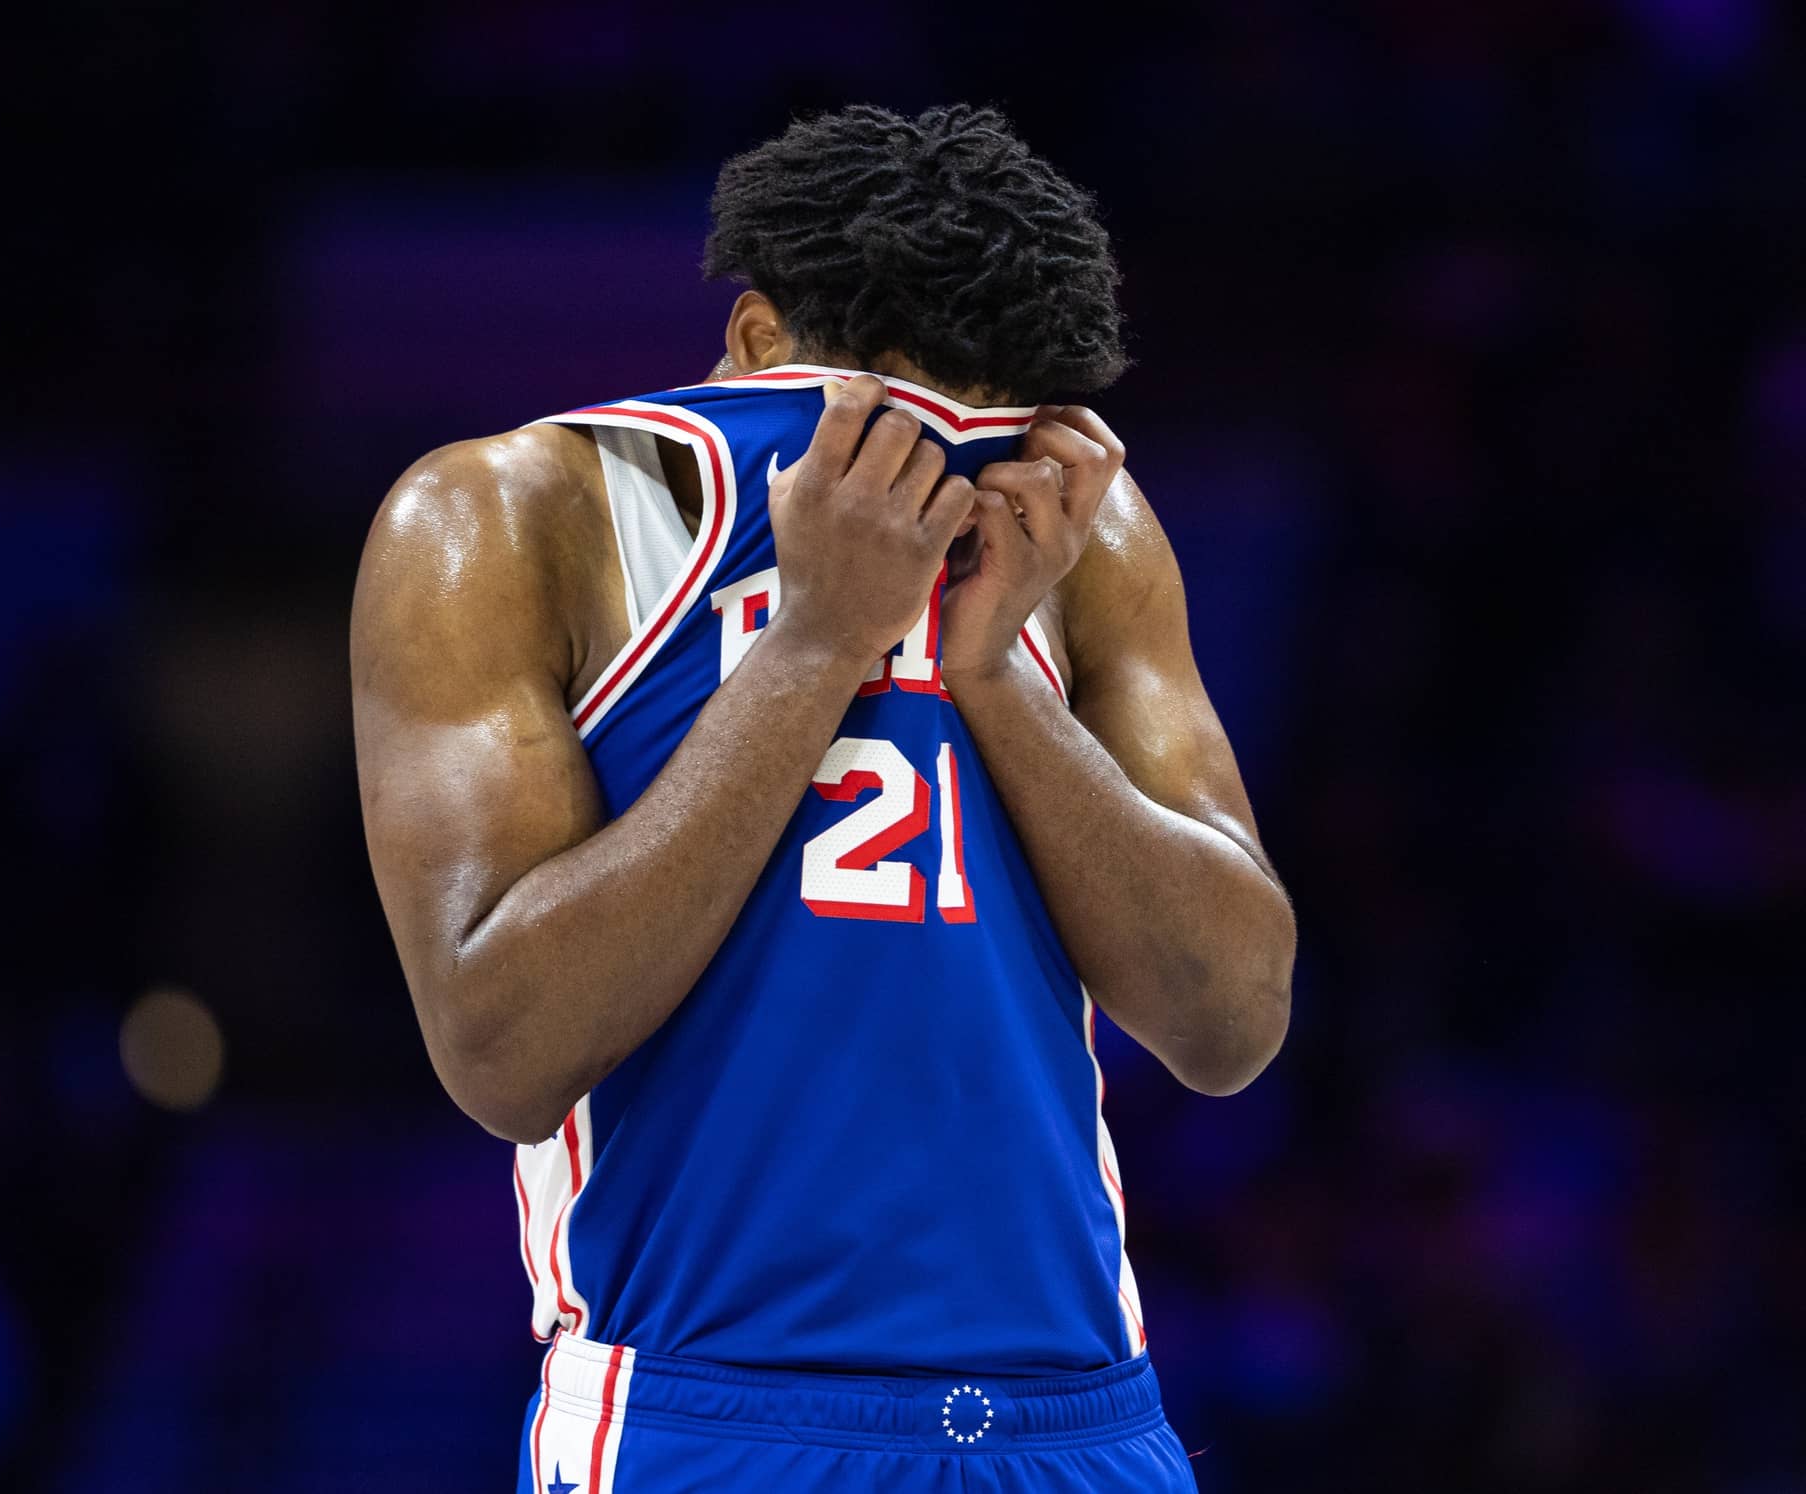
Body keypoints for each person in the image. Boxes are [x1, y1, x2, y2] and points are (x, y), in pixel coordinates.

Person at [351, 102, 1295, 1493]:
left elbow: (1229, 1021)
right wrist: (812, 644)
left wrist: (995, 679)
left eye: (983, 442)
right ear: (753, 342)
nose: (943, 484)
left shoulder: (1078, 531)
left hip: (1075, 1416)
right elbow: (501, 1046)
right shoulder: (509, 512)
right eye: (890, 428)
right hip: (707, 1414)